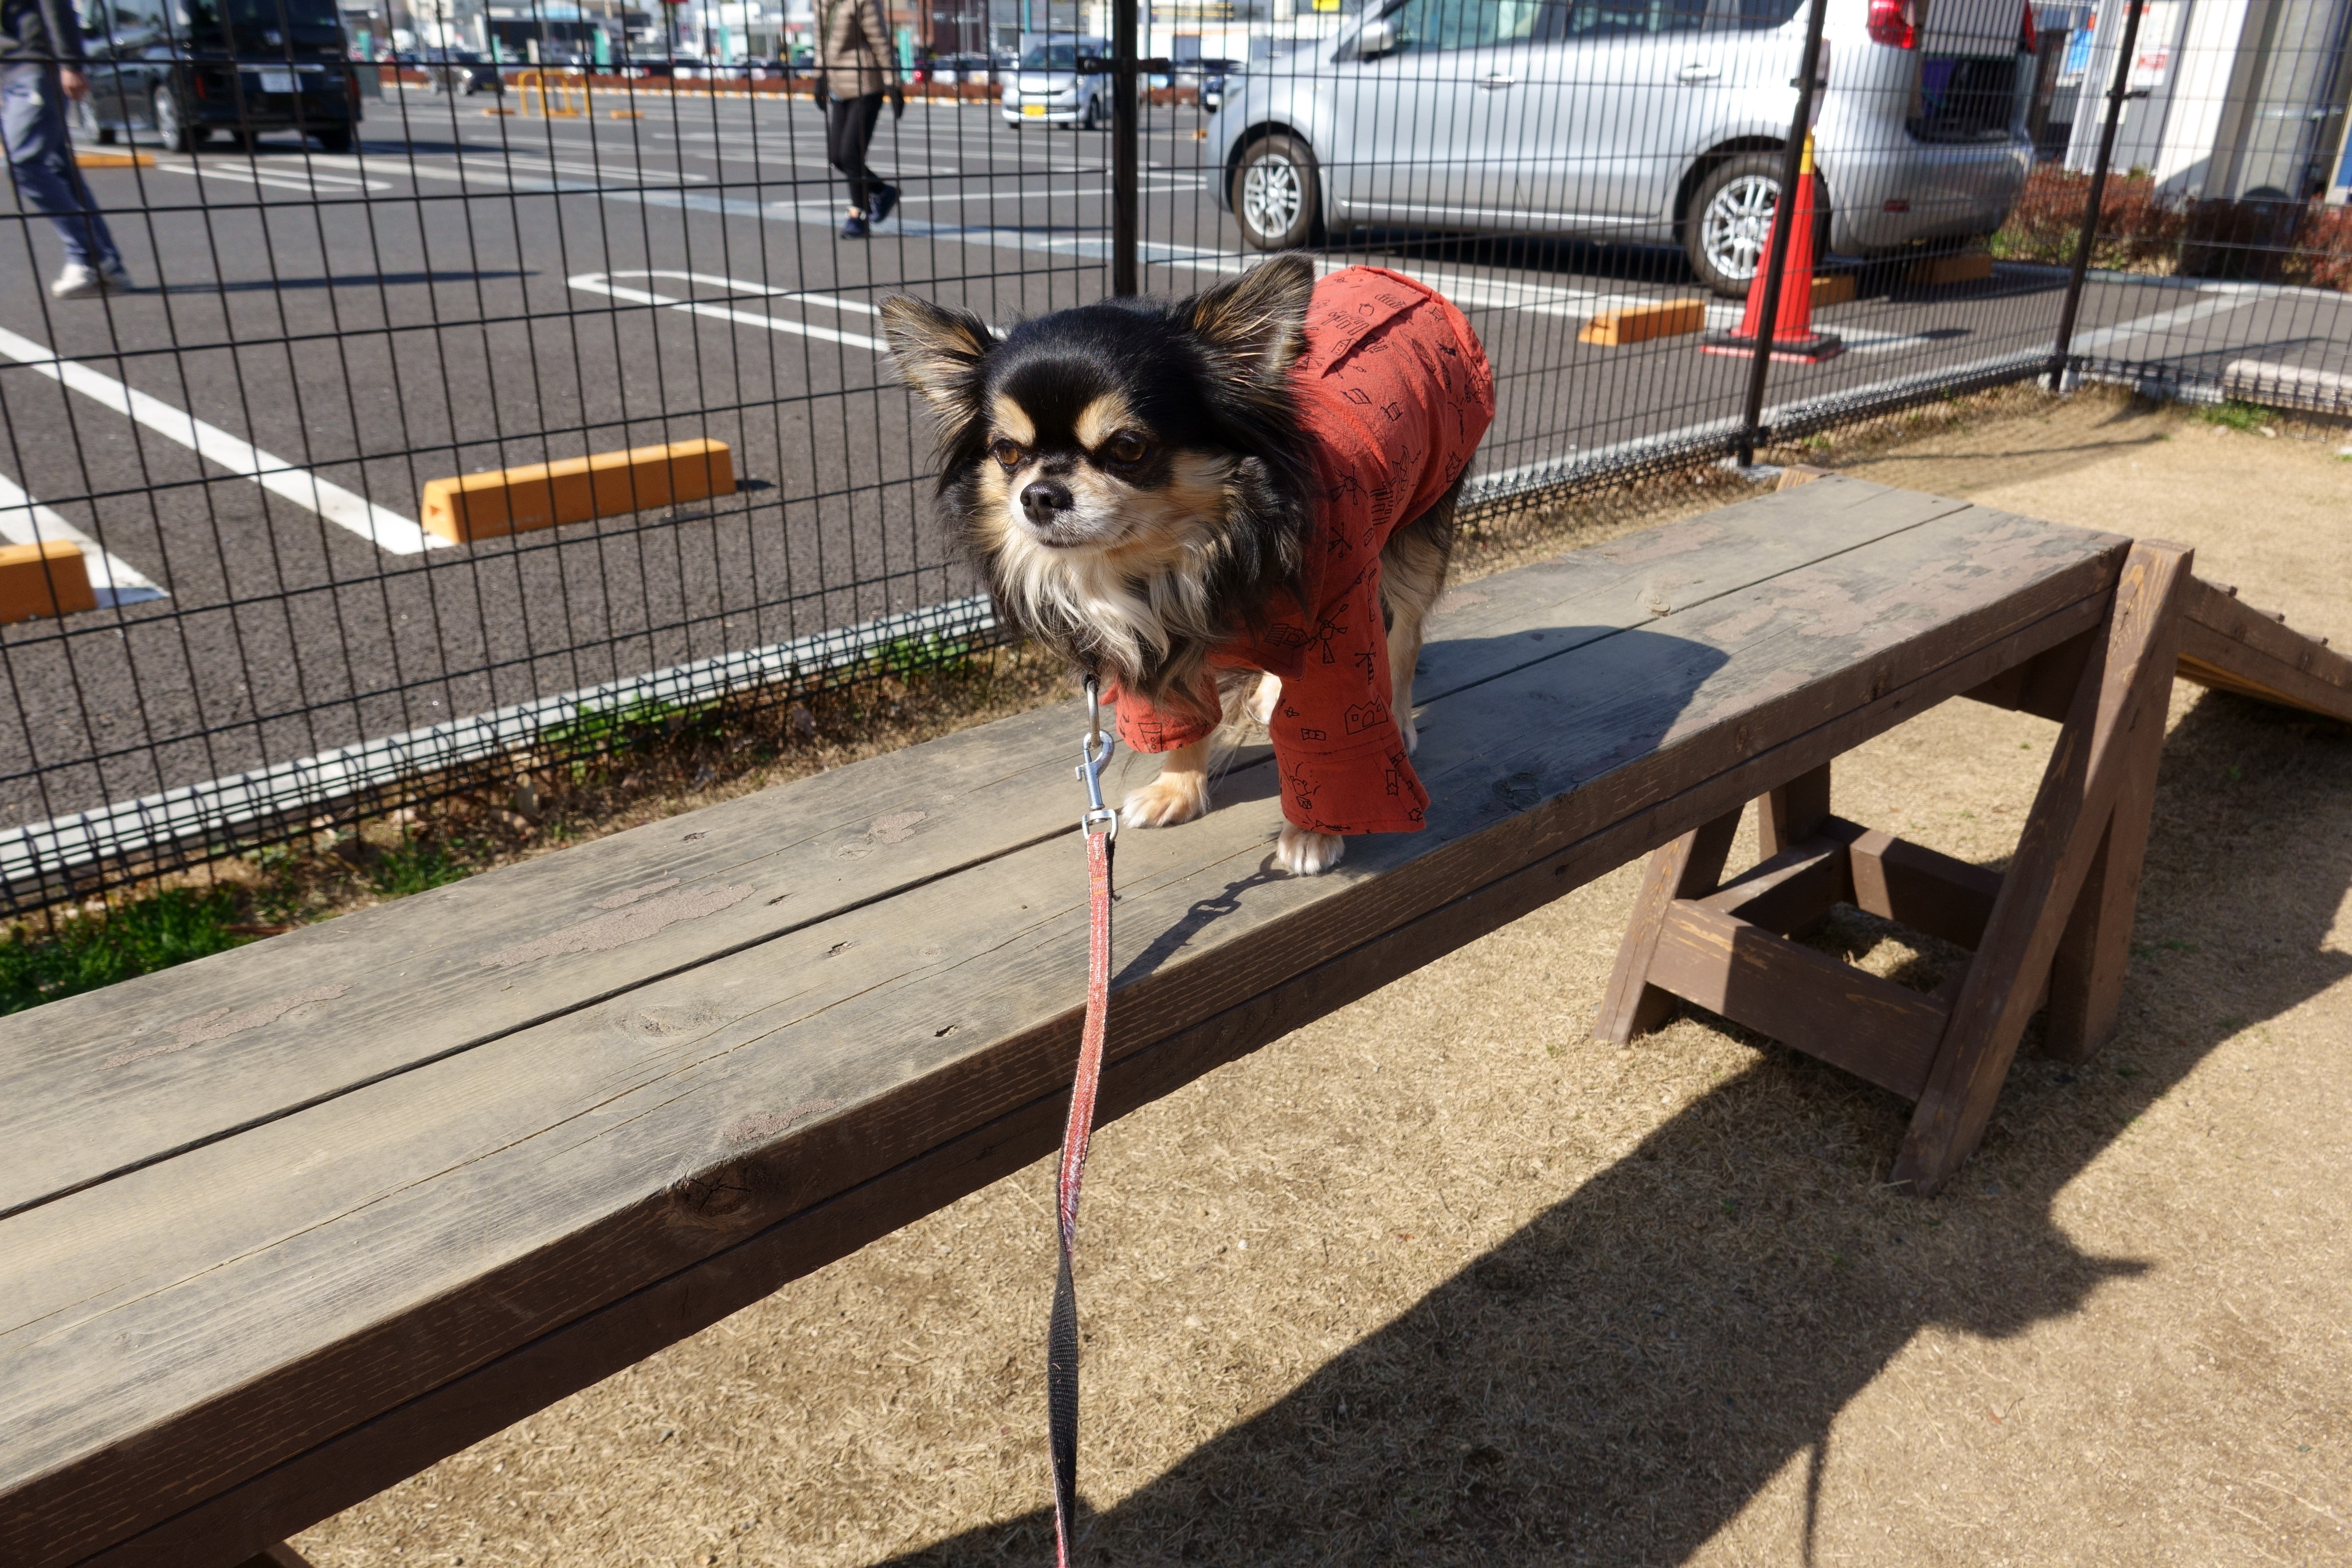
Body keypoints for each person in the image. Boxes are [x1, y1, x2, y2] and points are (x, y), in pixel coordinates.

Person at [2, 0, 132, 298]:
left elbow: (55, 6)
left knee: (25, 163)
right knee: (59, 167)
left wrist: (71, 63)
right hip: (10, 70)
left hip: (36, 62)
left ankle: (90, 258)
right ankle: (108, 264)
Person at [812, 0, 901, 240]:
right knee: (837, 158)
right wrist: (819, 77)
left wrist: (893, 83)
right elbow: (821, 43)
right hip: (839, 88)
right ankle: (882, 192)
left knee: (851, 154)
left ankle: (858, 217)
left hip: (866, 85)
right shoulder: (821, 3)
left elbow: (880, 41)